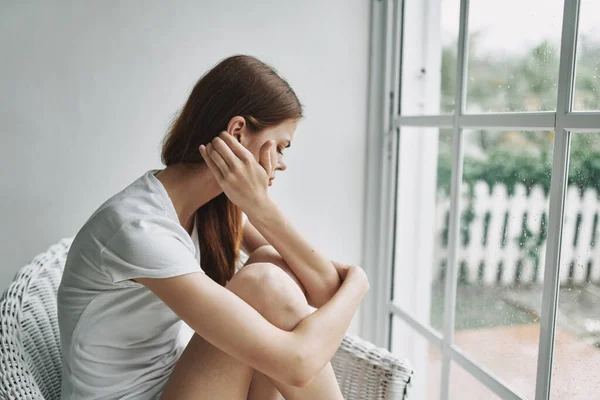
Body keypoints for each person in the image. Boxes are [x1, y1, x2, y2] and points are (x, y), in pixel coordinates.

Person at [57, 54, 369, 400]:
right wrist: (358, 283)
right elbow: (297, 365)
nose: (281, 164)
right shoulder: (139, 229)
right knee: (264, 283)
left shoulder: (209, 208)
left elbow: (323, 288)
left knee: (269, 261)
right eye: (280, 147)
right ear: (237, 132)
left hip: (170, 386)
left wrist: (257, 207)